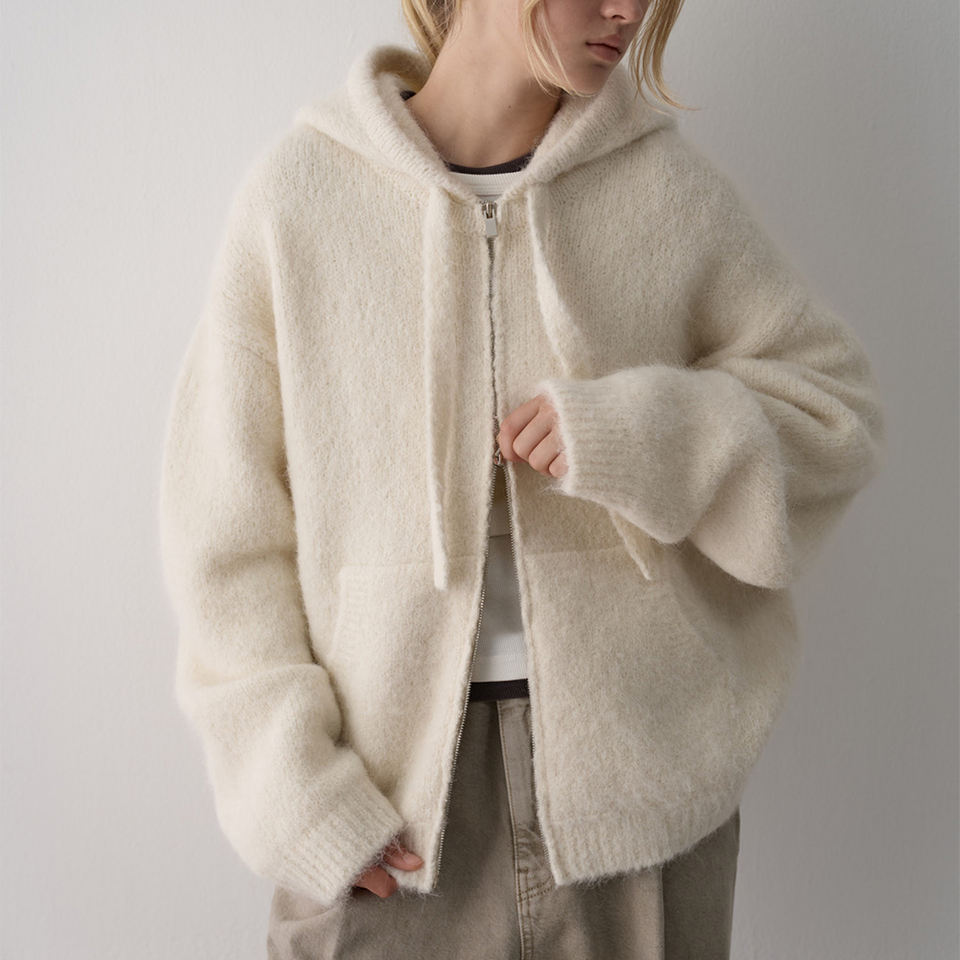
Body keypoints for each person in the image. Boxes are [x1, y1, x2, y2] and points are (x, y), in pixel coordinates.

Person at [157, 0, 886, 956]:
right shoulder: (300, 199)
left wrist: (648, 433)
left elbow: (834, 418)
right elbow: (222, 533)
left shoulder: (664, 190)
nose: (628, 11)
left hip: (637, 798)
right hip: (385, 812)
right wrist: (294, 793)